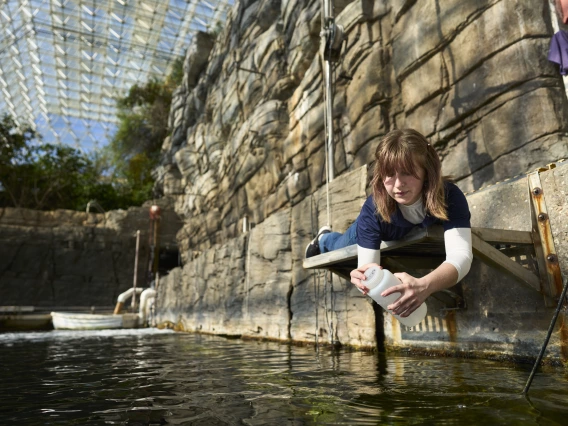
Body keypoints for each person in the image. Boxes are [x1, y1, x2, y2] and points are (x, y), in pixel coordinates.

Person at [305, 128, 473, 318]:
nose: (398, 184)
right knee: (339, 245)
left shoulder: (449, 195)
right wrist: (363, 279)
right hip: (363, 232)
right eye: (389, 174)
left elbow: (461, 256)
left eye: (407, 173)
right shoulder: (373, 209)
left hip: (405, 231)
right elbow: (367, 270)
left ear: (427, 170)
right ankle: (323, 239)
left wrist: (424, 285)